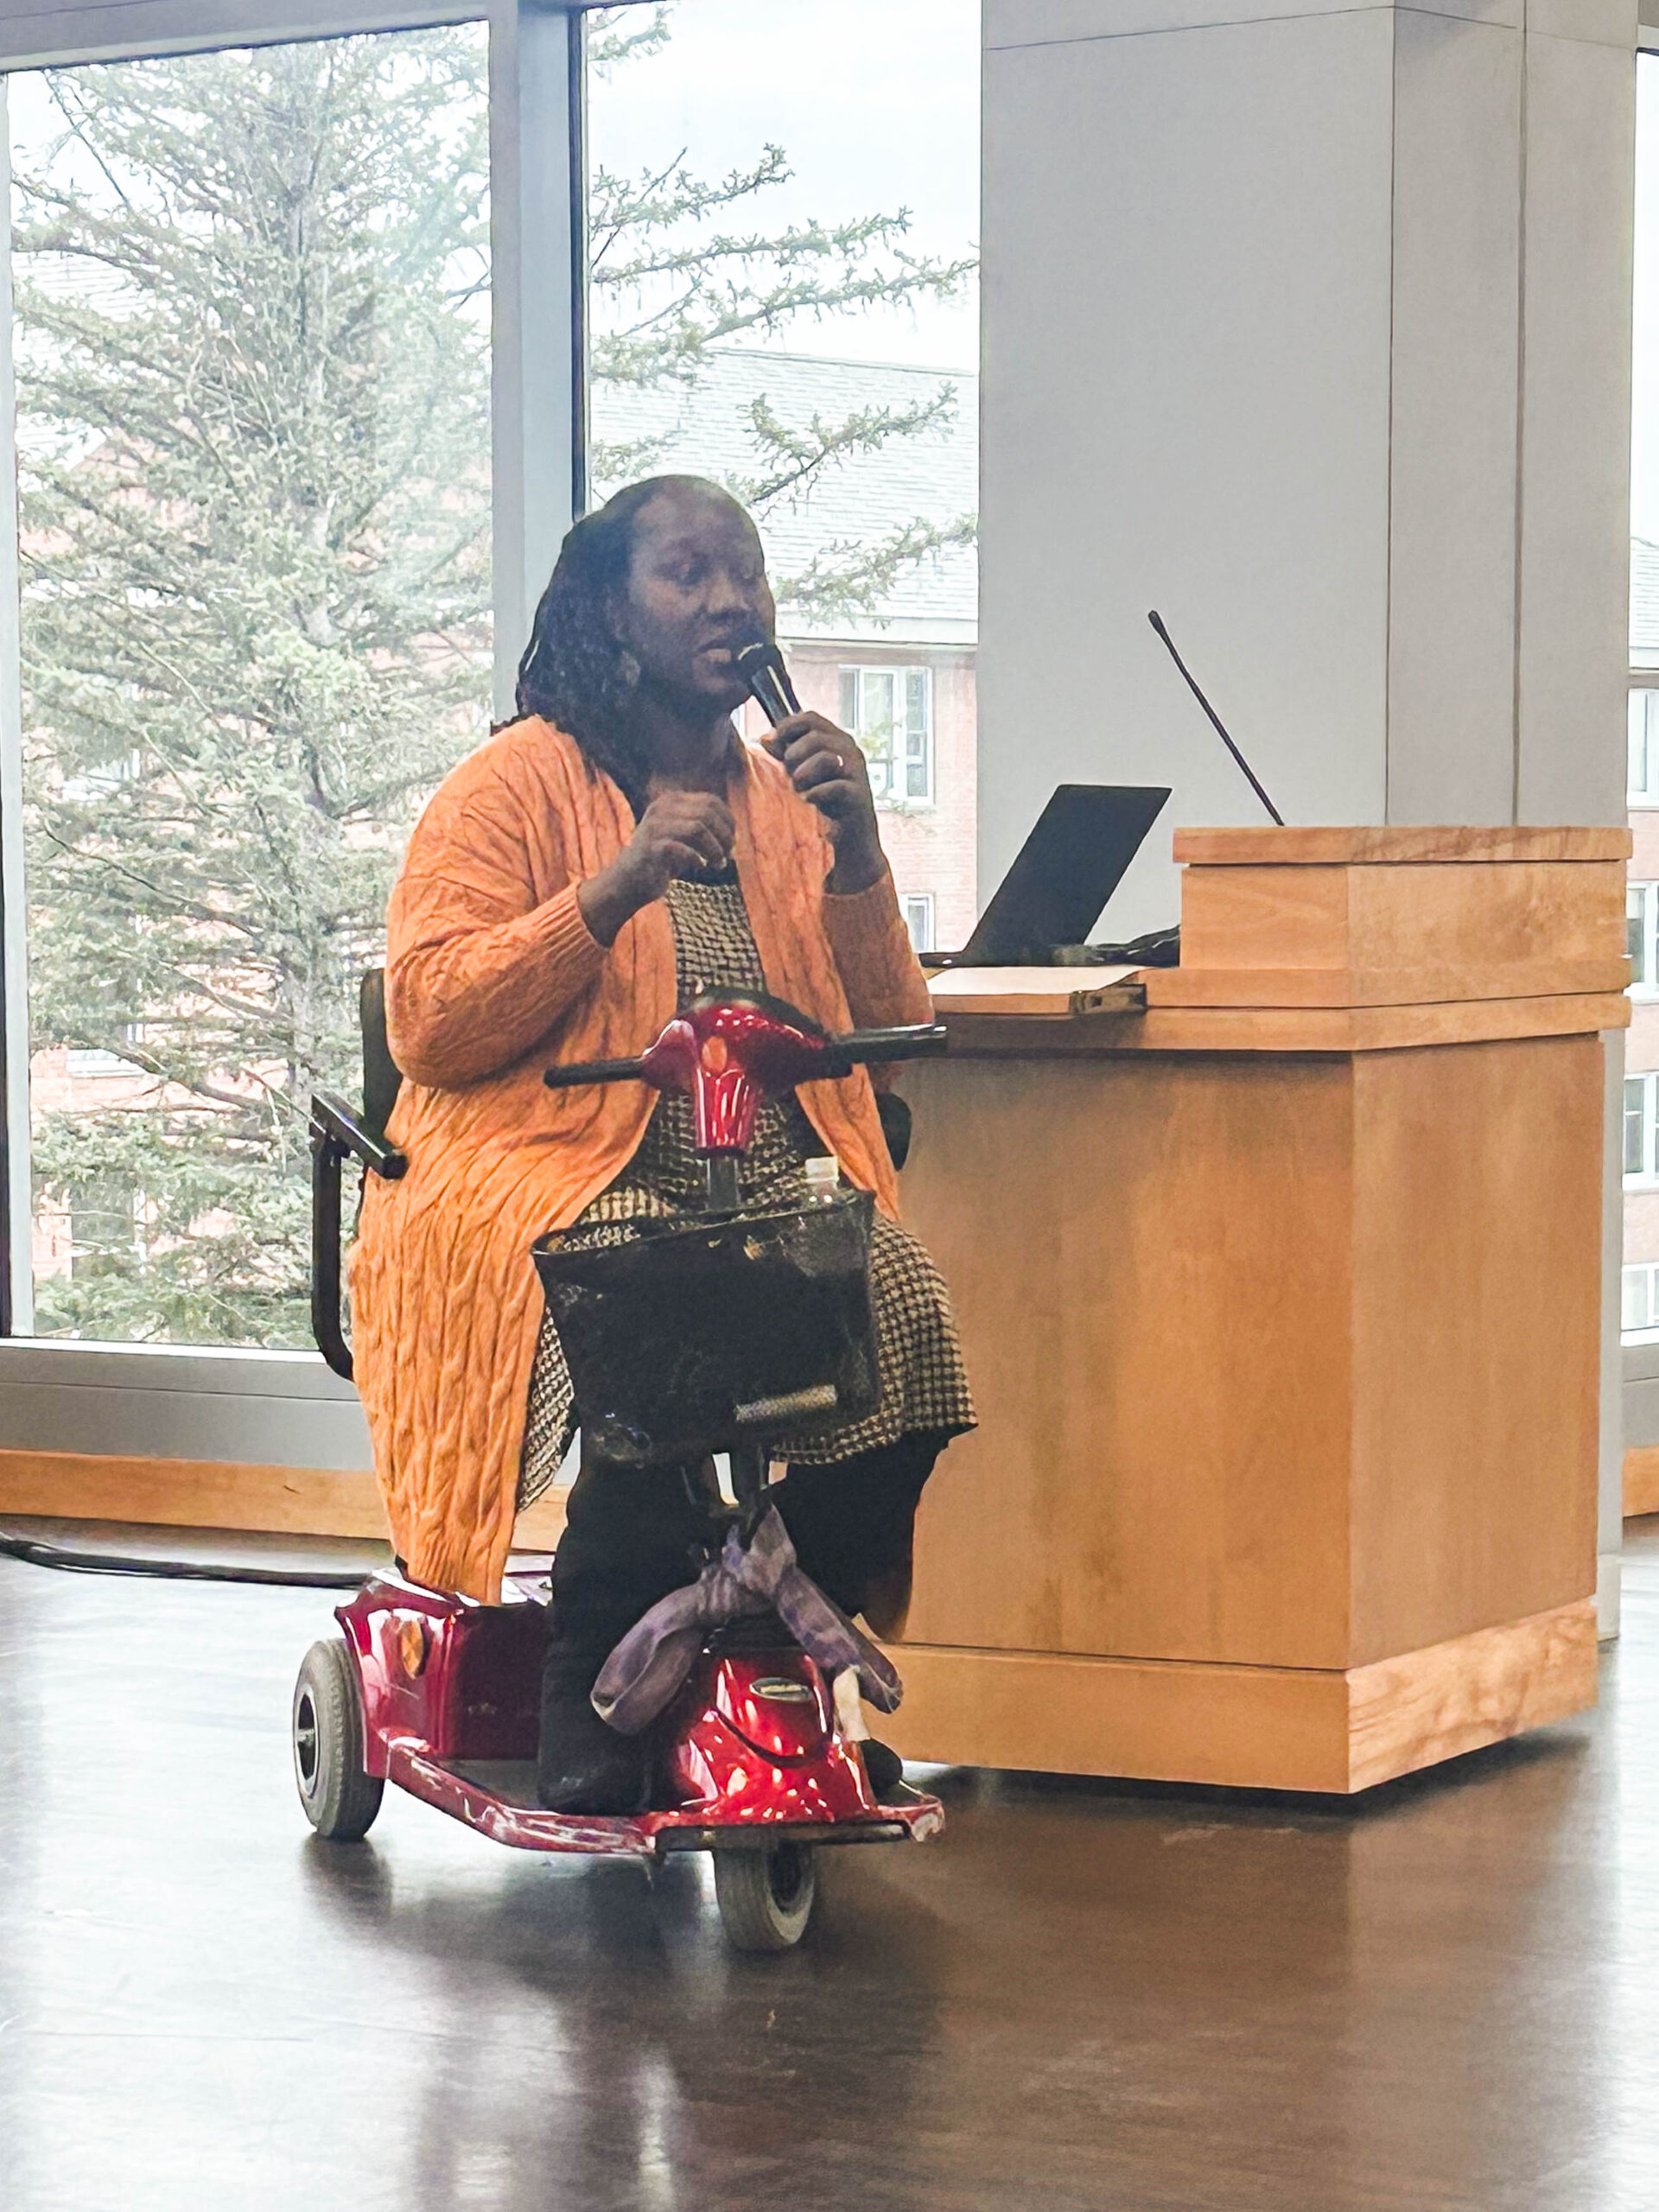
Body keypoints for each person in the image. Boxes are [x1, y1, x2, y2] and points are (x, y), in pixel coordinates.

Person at [349, 474, 974, 1814]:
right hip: (555, 1165)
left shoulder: (787, 797)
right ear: (612, 617)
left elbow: (888, 1025)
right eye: (690, 576)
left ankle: (728, 1595)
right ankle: (595, 1655)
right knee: (654, 1295)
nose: (731, 601)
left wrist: (860, 851)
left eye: (744, 574)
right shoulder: (510, 786)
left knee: (912, 1311)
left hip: (760, 1168)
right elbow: (432, 1025)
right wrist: (615, 883)